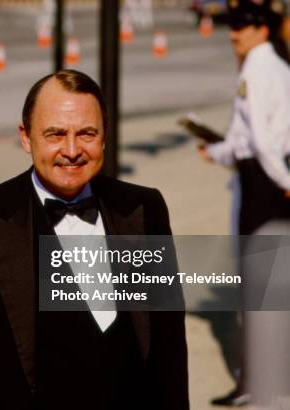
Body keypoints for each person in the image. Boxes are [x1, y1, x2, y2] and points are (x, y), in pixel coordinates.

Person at [0, 69, 189, 410]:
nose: (72, 150)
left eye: (87, 133)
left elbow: (168, 344)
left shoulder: (143, 207)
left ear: (104, 136)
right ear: (26, 137)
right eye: (55, 134)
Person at [197, 0, 290, 406]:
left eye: (243, 26)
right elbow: (239, 139)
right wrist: (215, 152)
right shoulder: (277, 68)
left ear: (262, 30)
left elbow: (263, 143)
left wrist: (287, 181)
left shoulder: (256, 67)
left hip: (265, 184)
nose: (234, 33)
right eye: (232, 25)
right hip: (267, 179)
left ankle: (255, 379)